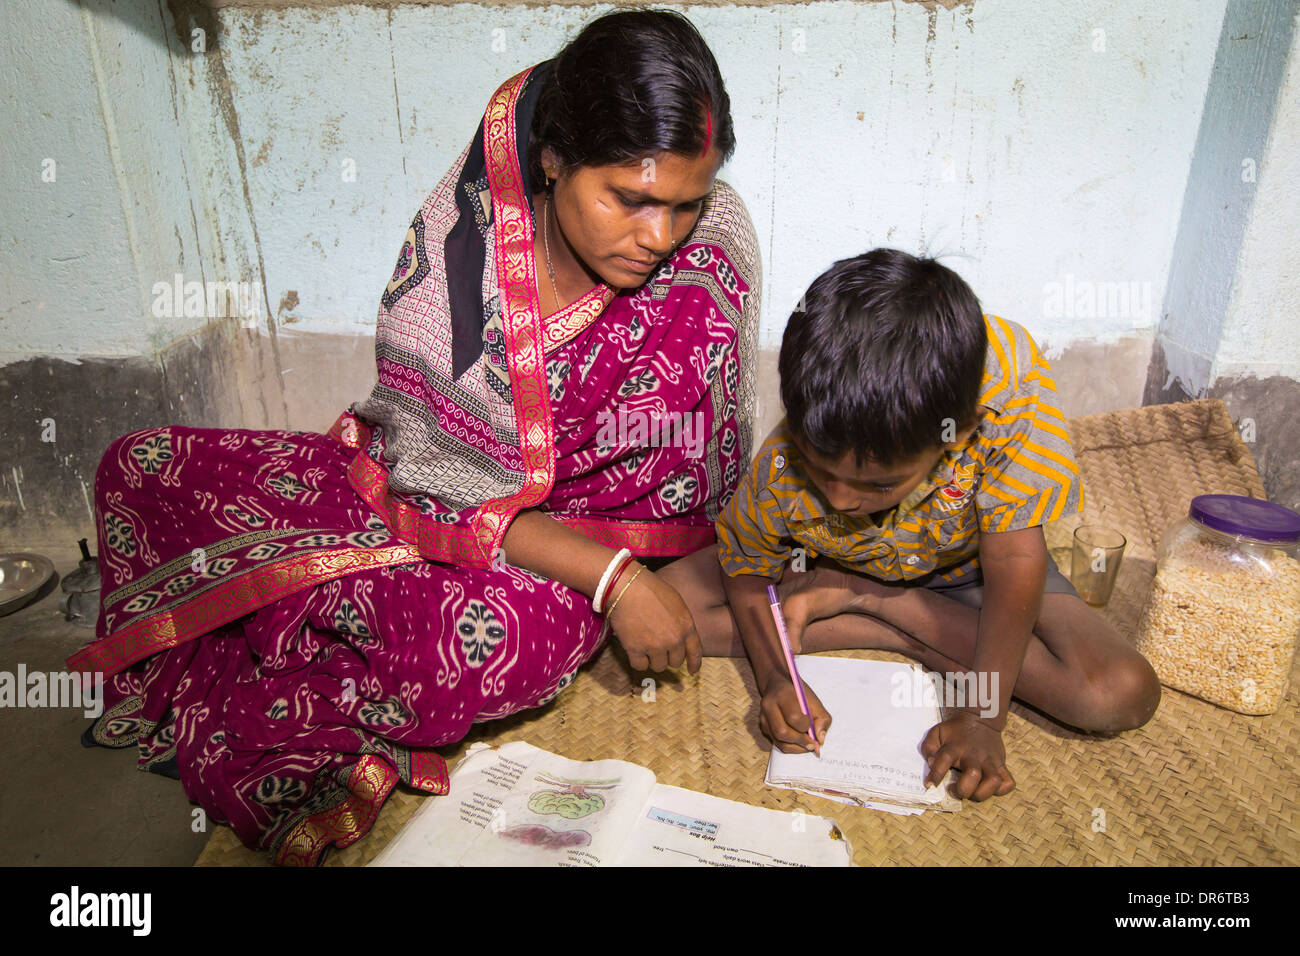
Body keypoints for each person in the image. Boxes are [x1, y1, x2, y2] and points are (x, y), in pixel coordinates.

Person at [69, 9, 761, 865]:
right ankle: (270, 625)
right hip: (418, 497)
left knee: (487, 650)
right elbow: (428, 477)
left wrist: (622, 570)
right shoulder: (459, 258)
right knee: (140, 465)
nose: (660, 237)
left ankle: (281, 632)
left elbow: (699, 476)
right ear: (554, 159)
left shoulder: (713, 246)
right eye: (629, 200)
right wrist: (617, 585)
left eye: (683, 205)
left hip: (555, 561)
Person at [666, 249, 1161, 803]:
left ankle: (875, 605)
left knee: (1119, 693)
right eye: (821, 470)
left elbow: (1016, 560)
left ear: (959, 432)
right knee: (665, 611)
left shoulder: (1009, 393)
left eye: (879, 485)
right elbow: (746, 569)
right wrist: (777, 675)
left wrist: (981, 716)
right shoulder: (783, 467)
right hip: (827, 556)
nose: (841, 499)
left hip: (971, 568)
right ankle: (892, 623)